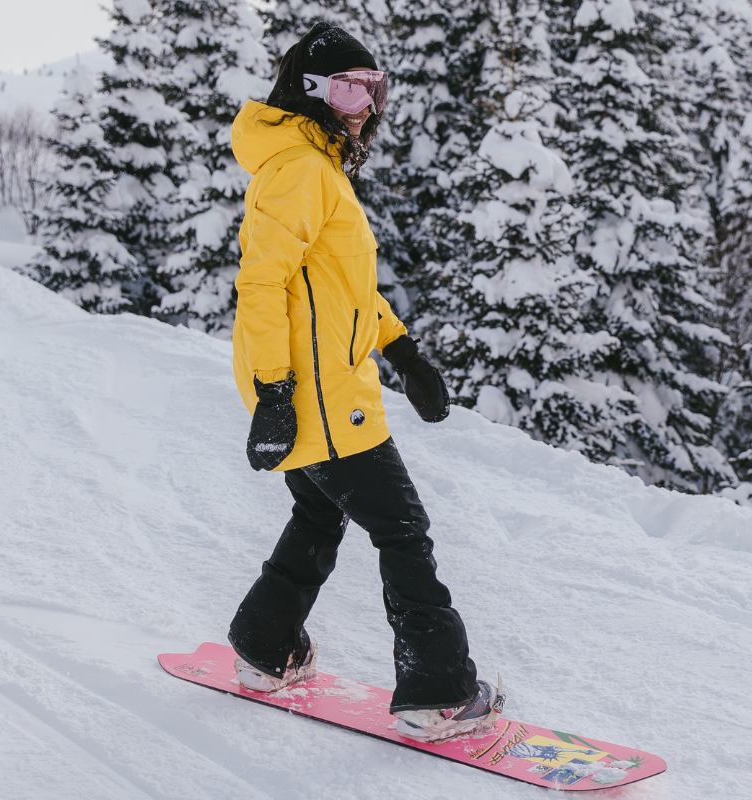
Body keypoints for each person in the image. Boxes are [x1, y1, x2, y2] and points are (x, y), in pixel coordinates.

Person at [227, 21, 503, 743]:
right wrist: (275, 393)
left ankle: (265, 649)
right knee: (402, 528)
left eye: (373, 87)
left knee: (319, 516)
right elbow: (261, 284)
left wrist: (404, 354)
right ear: (310, 89)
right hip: (318, 397)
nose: (364, 103)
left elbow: (343, 290)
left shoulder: (318, 165)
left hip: (326, 388)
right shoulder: (302, 170)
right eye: (349, 86)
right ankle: (437, 693)